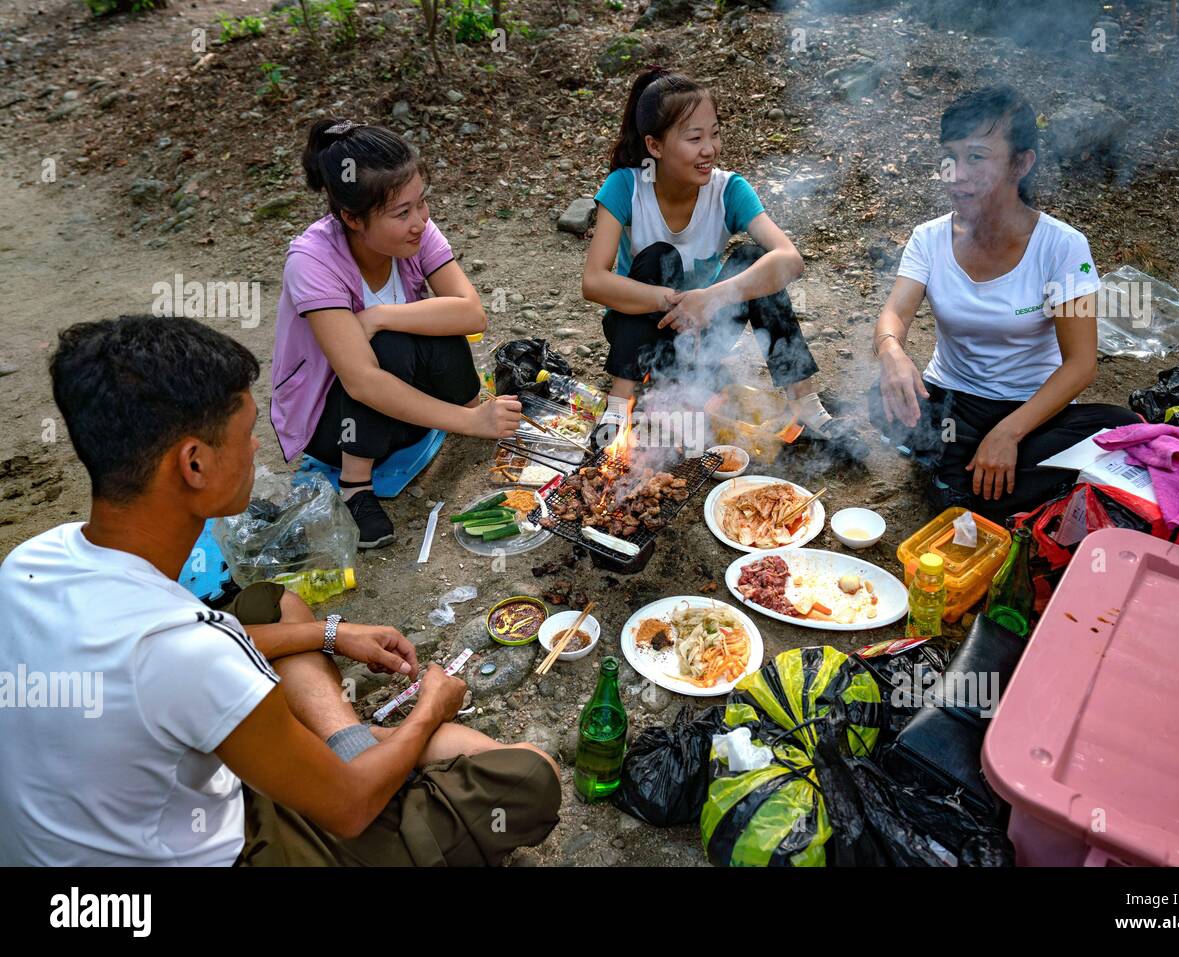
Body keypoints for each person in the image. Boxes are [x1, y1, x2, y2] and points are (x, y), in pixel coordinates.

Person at [0, 315, 560, 866]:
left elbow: (169, 663)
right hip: (230, 847)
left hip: (116, 823)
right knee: (531, 775)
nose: (255, 452)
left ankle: (349, 744)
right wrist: (429, 710)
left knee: (270, 602)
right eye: (245, 435)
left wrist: (335, 632)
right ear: (193, 463)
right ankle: (360, 749)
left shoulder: (33, 560)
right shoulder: (185, 652)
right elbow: (350, 807)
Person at [871, 85, 1141, 524]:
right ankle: (978, 474)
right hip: (953, 399)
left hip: (1032, 408)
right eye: (950, 157)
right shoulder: (930, 238)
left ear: (1021, 163)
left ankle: (966, 471)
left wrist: (1009, 432)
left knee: (1124, 427)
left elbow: (1081, 364)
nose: (956, 173)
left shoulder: (1061, 247)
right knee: (883, 398)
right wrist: (892, 352)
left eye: (976, 157)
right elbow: (894, 314)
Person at [581, 68, 869, 462]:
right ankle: (618, 408)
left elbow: (790, 260)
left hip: (705, 336)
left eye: (714, 133)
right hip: (643, 338)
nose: (709, 149)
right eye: (694, 137)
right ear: (655, 145)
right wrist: (672, 300)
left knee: (755, 259)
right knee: (656, 257)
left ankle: (806, 405)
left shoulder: (728, 189)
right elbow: (594, 282)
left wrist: (710, 299)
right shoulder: (626, 187)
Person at [271, 119, 523, 548]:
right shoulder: (312, 262)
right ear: (352, 218)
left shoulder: (415, 232)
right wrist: (469, 421)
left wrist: (383, 314)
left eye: (421, 203)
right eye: (402, 212)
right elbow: (361, 381)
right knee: (383, 345)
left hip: (403, 414)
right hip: (336, 425)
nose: (419, 221)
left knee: (418, 320)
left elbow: (471, 313)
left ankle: (459, 417)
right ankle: (356, 488)